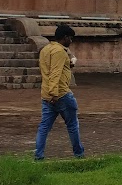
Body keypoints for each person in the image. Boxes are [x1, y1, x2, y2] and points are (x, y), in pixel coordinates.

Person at [36, 24, 85, 161]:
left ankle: (38, 155)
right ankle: (79, 154)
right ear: (65, 38)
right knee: (72, 125)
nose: (71, 41)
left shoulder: (46, 49)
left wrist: (69, 61)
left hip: (46, 95)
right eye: (70, 38)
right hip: (60, 94)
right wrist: (54, 94)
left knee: (44, 127)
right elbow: (55, 73)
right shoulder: (59, 52)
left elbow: (51, 68)